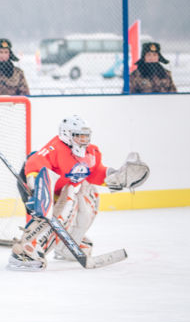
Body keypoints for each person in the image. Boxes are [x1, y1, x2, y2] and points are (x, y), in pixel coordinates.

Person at [7, 115, 150, 271]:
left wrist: (114, 176)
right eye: (78, 135)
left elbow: (94, 172)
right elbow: (35, 164)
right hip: (38, 186)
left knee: (89, 195)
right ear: (67, 135)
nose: (83, 139)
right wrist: (36, 190)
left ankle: (66, 247)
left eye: (85, 135)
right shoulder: (55, 148)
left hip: (61, 190)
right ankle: (25, 252)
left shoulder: (90, 152)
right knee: (66, 202)